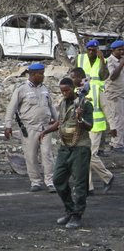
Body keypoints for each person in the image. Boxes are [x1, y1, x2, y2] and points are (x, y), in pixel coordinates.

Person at [39, 78, 94, 229]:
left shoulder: (85, 104)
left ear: (72, 88)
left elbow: (89, 126)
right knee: (58, 179)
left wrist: (80, 118)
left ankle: (77, 215)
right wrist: (46, 130)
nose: (64, 93)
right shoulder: (63, 103)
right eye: (62, 91)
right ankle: (70, 209)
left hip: (80, 147)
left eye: (67, 90)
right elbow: (61, 121)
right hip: (65, 147)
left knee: (79, 183)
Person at [4, 63, 58, 192]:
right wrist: (8, 125)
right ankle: (35, 181)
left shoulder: (44, 88)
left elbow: (51, 106)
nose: (43, 76)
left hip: (45, 127)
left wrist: (57, 121)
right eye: (41, 74)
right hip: (29, 128)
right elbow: (11, 108)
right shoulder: (21, 89)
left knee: (47, 154)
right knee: (31, 156)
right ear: (33, 75)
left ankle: (50, 181)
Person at [69, 67, 115, 195]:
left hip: (95, 126)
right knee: (84, 156)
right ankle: (88, 187)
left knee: (90, 156)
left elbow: (106, 107)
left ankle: (107, 176)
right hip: (81, 127)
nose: (72, 80)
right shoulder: (73, 91)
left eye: (73, 77)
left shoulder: (94, 88)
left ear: (80, 77)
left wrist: (112, 125)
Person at [106, 40, 124, 153]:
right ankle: (117, 144)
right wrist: (121, 63)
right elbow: (112, 76)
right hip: (114, 94)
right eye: (119, 50)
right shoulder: (110, 61)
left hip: (121, 93)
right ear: (113, 50)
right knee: (117, 119)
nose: (122, 52)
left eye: (123, 49)